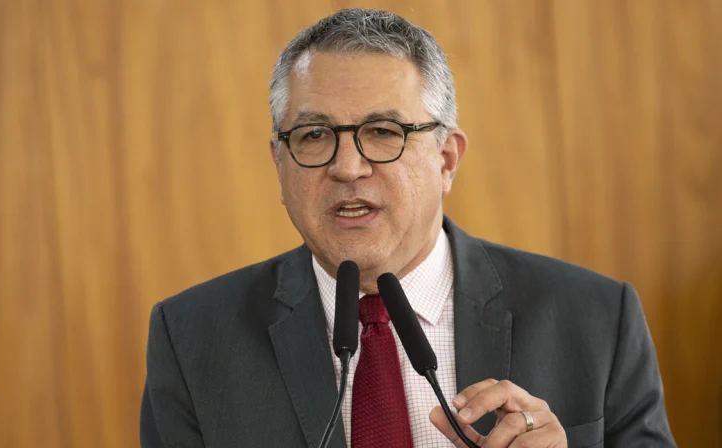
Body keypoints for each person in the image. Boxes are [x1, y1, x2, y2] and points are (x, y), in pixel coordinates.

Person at [140, 8, 675, 448]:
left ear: (445, 160)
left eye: (382, 131)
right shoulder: (192, 337)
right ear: (279, 163)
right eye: (313, 135)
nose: (347, 167)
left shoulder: (597, 319)